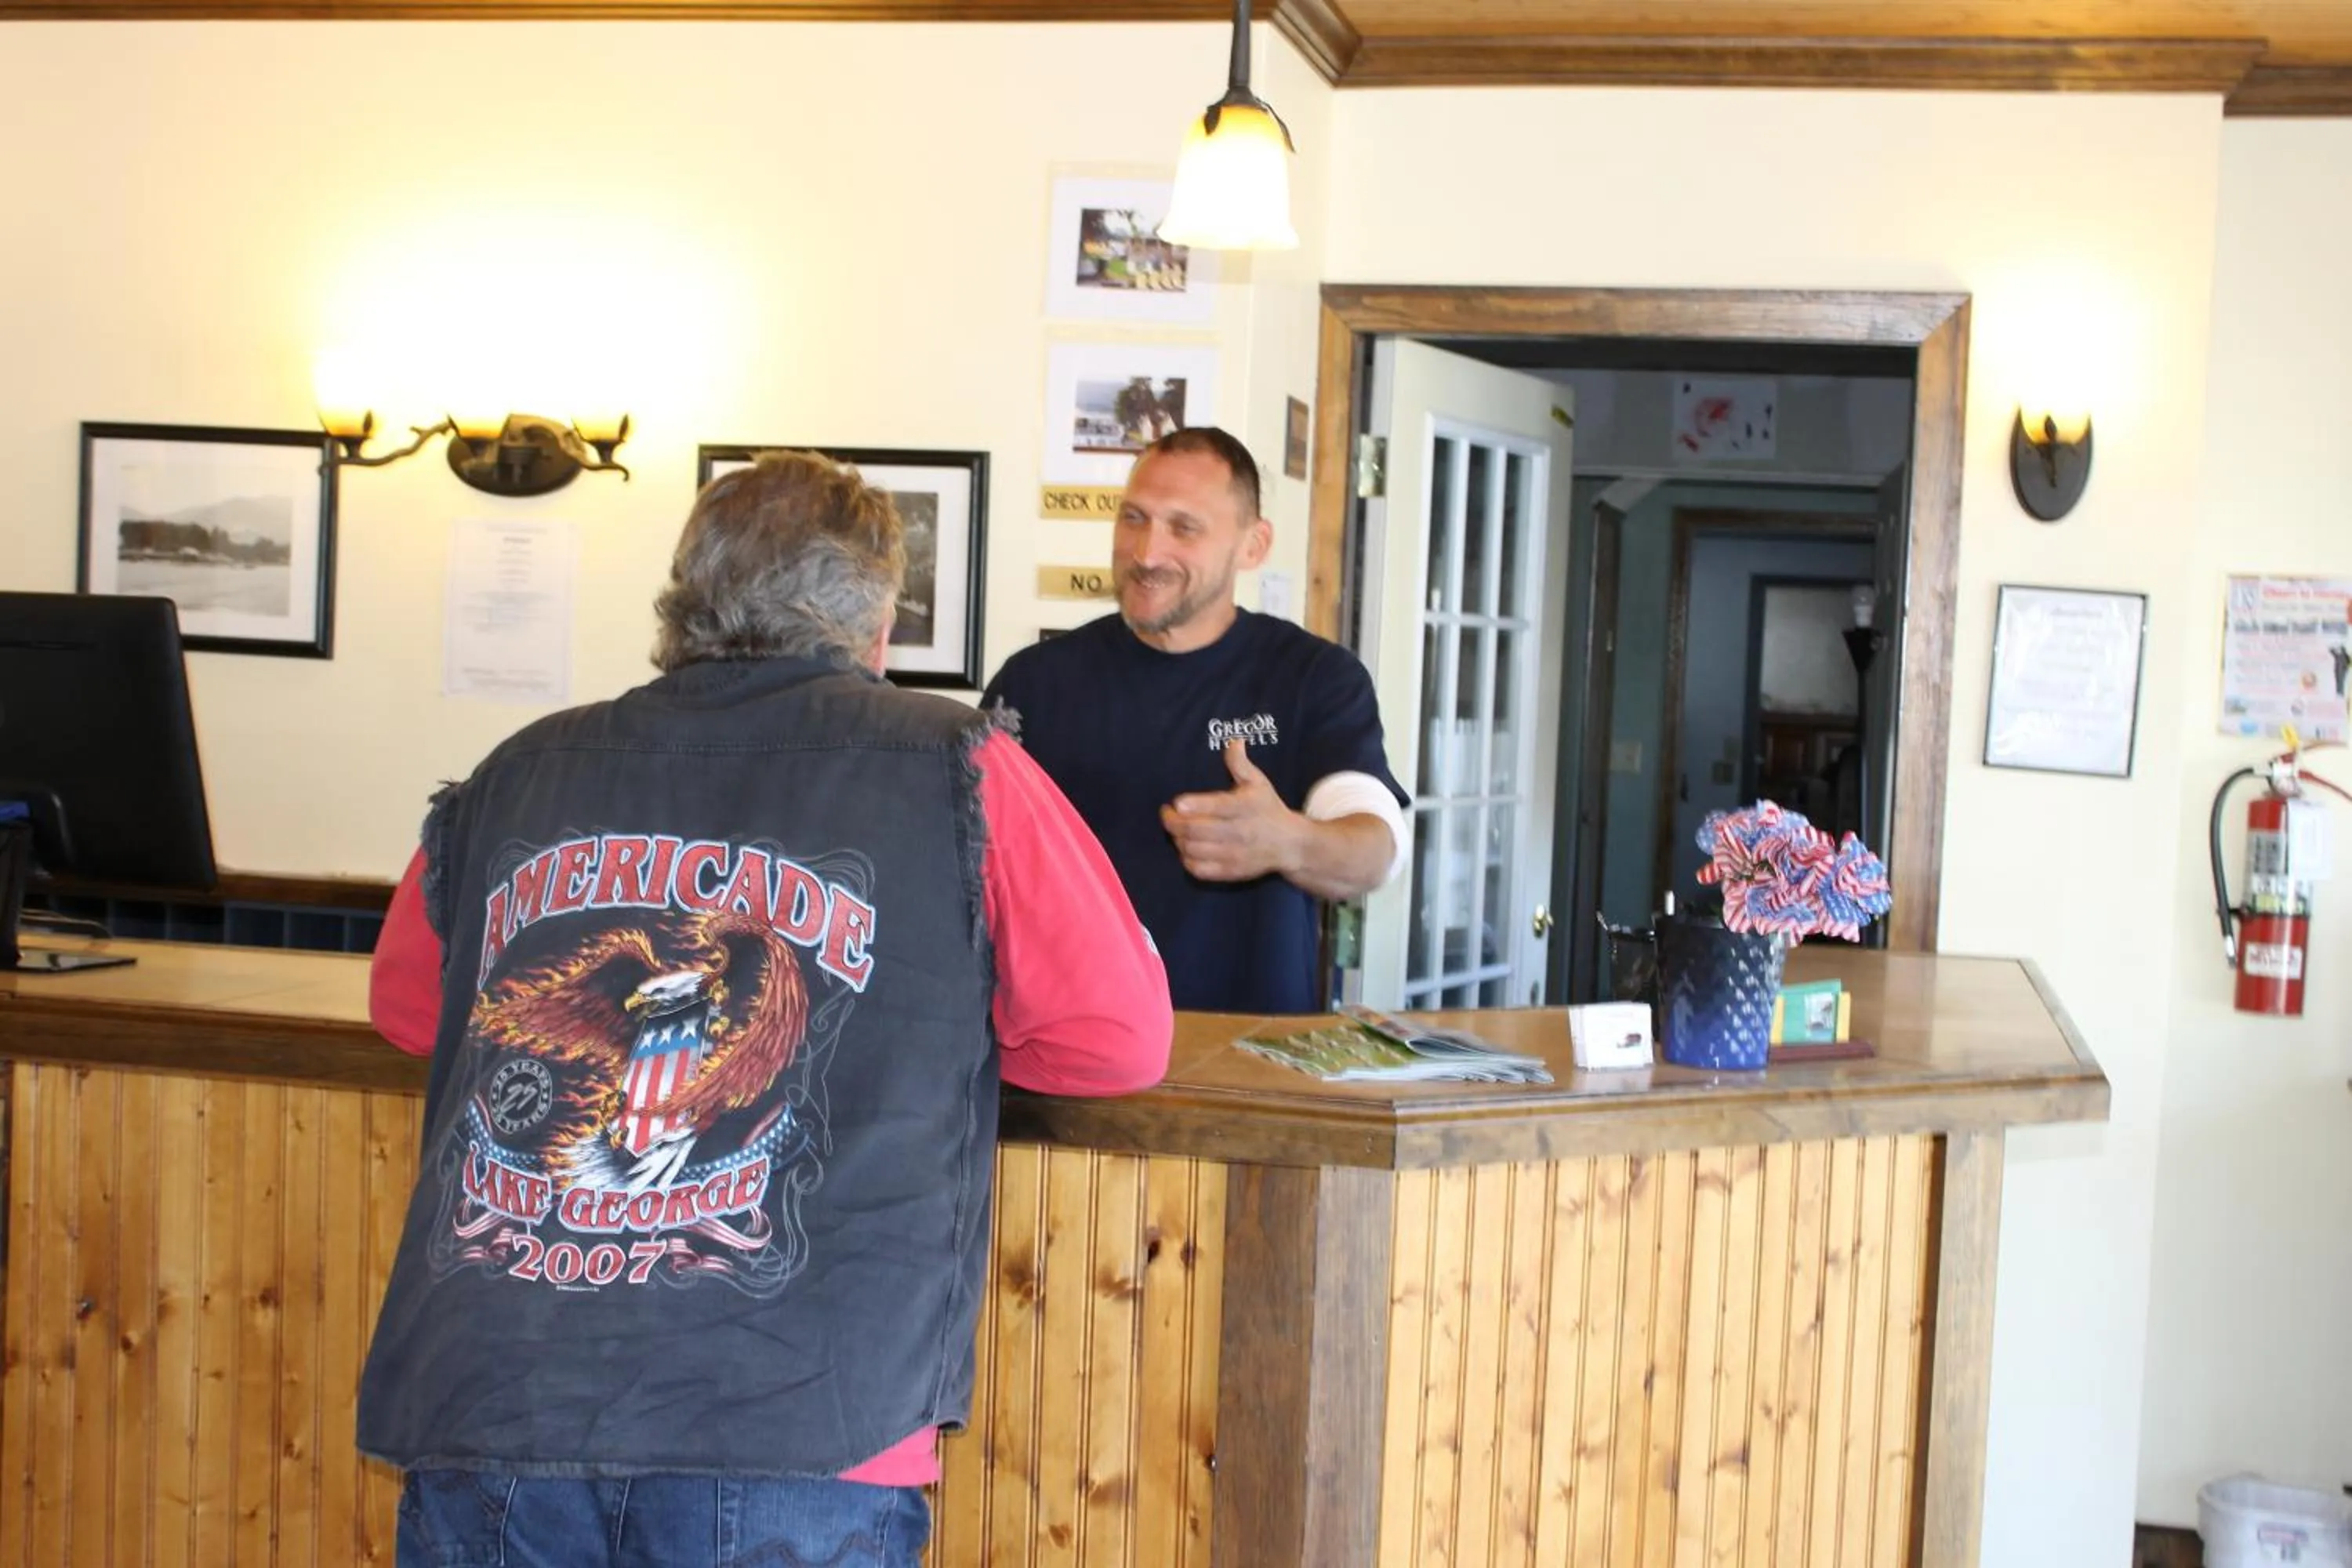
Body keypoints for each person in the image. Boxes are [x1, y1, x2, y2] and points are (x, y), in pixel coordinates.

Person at [359, 451, 1171, 1568]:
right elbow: (1114, 1040)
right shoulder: (959, 767)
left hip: (502, 1394)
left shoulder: (518, 768)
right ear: (876, 619)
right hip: (798, 1404)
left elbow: (409, 1007)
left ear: (684, 597)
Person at [982, 426, 1406, 1015]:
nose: (1146, 553)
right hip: (1060, 1059)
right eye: (1133, 518)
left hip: (1246, 1062)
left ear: (1253, 546)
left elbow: (1376, 848)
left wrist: (1288, 841)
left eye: (1184, 528)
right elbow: (968, 861)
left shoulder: (1314, 677)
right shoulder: (1033, 682)